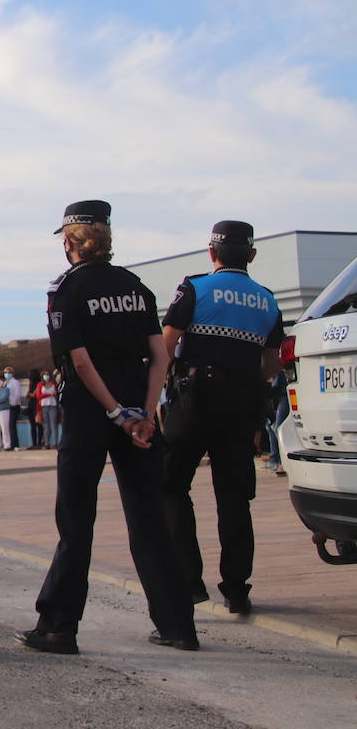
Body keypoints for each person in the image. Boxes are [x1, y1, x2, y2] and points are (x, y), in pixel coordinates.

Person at [17, 200, 197, 655]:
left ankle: (59, 626)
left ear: (68, 241)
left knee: (76, 521)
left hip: (88, 409)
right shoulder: (134, 286)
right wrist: (142, 412)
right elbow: (161, 355)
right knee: (149, 519)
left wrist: (115, 411)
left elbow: (79, 360)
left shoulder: (66, 289)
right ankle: (178, 625)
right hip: (138, 408)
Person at [161, 220, 283, 616]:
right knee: (234, 497)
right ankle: (236, 588)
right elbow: (271, 362)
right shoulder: (267, 299)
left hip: (194, 400)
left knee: (171, 486)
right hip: (241, 404)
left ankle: (188, 581)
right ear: (251, 256)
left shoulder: (195, 287)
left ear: (211, 253)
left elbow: (167, 342)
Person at [35, 372, 61, 450]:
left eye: (47, 375)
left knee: (53, 425)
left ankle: (55, 443)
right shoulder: (40, 385)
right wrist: (49, 394)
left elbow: (57, 394)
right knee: (46, 426)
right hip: (43, 406)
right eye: (45, 375)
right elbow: (39, 396)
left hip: (53, 405)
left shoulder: (53, 384)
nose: (46, 376)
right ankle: (47, 443)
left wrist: (53, 394)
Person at [3, 367, 23, 448]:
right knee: (7, 426)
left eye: (9, 372)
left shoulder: (15, 382)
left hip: (14, 406)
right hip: (6, 406)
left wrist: (13, 403)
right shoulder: (5, 383)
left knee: (12, 425)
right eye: (5, 372)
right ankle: (8, 443)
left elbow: (17, 394)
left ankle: (15, 444)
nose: (7, 374)